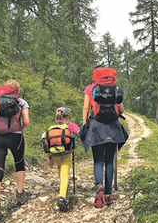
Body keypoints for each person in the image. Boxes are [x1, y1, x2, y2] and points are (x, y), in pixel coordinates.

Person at [80, 70, 128, 209]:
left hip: (96, 126)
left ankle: (99, 185)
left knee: (98, 159)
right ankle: (108, 193)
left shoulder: (90, 88)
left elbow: (85, 108)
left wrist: (85, 125)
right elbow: (121, 109)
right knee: (109, 160)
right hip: (113, 127)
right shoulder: (114, 88)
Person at [0, 79, 30, 222]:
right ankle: (19, 194)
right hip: (15, 138)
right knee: (19, 163)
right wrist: (17, 128)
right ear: (17, 89)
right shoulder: (21, 102)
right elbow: (26, 122)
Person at [46, 107, 80, 212]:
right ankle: (62, 197)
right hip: (66, 154)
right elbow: (80, 132)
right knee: (65, 174)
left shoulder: (52, 128)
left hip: (55, 155)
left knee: (60, 171)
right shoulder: (70, 125)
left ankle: (63, 190)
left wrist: (50, 159)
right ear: (67, 116)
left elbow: (48, 142)